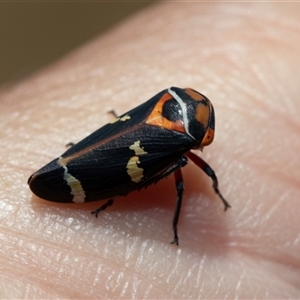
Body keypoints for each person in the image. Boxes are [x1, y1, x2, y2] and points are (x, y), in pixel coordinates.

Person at [1, 2, 299, 298]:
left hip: (117, 142)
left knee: (147, 143)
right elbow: (202, 173)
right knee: (178, 171)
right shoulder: (184, 142)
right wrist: (213, 191)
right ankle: (106, 189)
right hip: (90, 176)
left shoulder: (171, 99)